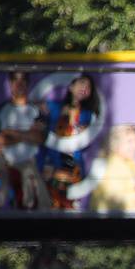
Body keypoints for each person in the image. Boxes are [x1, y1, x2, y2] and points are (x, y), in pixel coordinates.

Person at [41, 73, 102, 209]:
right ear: (71, 86)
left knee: (71, 207)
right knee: (52, 204)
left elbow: (87, 138)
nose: (84, 88)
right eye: (81, 83)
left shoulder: (89, 115)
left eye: (88, 87)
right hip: (52, 164)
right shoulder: (53, 107)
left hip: (74, 169)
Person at [0, 70, 50, 210]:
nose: (19, 84)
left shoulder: (37, 110)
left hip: (32, 161)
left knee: (40, 195)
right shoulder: (0, 110)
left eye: (23, 80)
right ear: (10, 84)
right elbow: (0, 139)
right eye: (15, 80)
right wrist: (28, 134)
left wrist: (10, 132)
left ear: (27, 84)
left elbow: (39, 138)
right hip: (6, 162)